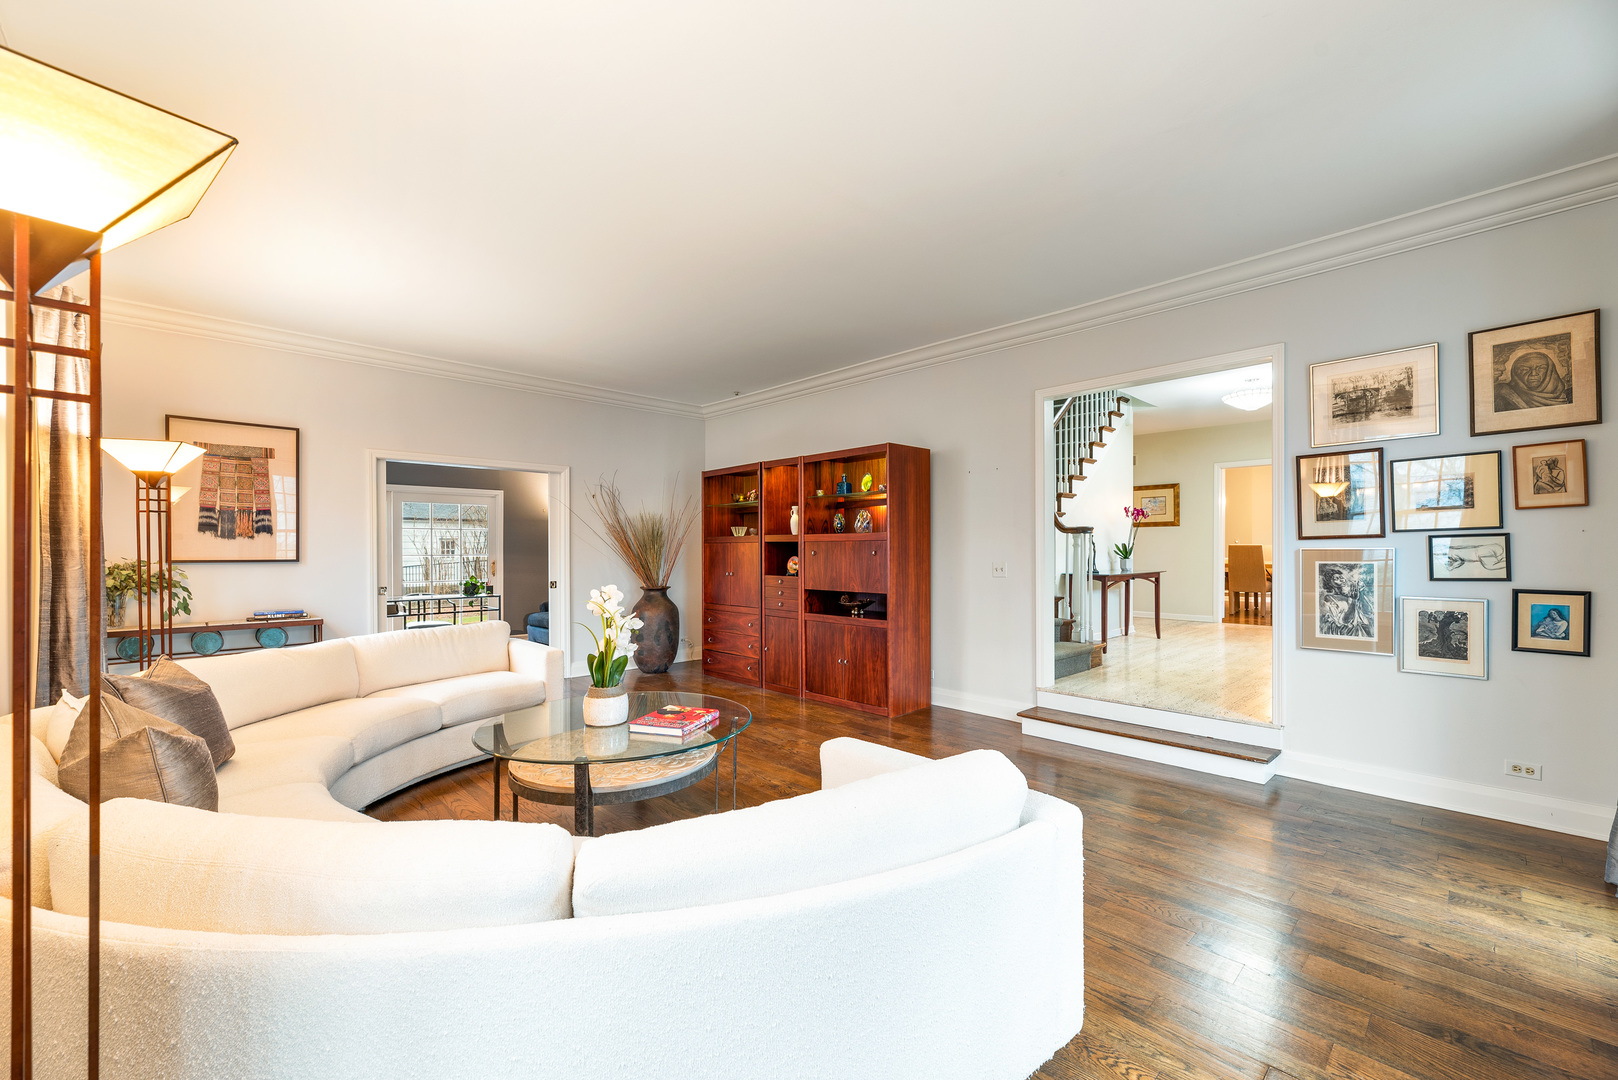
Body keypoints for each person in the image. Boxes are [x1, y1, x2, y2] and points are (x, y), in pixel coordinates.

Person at [1494, 347, 1571, 411]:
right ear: (1515, 374)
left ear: (1550, 371)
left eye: (1541, 368)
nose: (1533, 374)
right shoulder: (1503, 397)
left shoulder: (1567, 396)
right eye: (1525, 369)